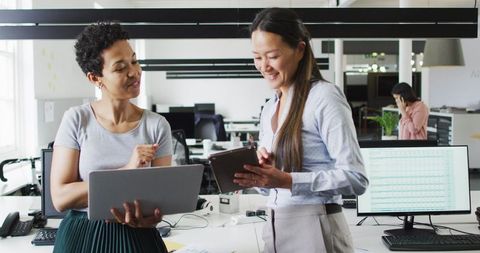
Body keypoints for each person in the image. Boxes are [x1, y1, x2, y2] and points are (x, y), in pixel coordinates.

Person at [233, 8, 368, 253]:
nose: (264, 66)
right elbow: (271, 188)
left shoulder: (324, 97)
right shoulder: (269, 108)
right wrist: (261, 175)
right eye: (257, 57)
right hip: (275, 226)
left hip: (316, 227)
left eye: (272, 56)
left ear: (300, 50)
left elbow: (356, 178)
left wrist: (287, 180)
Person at [50, 22, 172, 253]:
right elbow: (61, 197)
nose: (134, 72)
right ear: (95, 78)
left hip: (138, 237)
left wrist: (151, 218)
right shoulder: (76, 119)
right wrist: (127, 170)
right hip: (82, 236)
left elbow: (161, 201)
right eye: (119, 68)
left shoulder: (156, 125)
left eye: (134, 61)